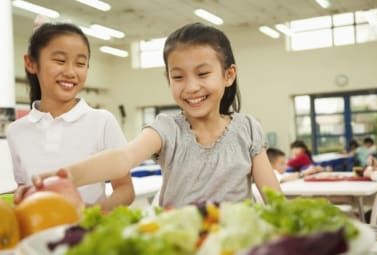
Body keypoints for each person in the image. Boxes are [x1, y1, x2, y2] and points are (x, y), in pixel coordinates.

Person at [17, 22, 281, 208]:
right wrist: (64, 176)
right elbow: (122, 158)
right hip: (178, 244)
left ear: (228, 75)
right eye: (178, 77)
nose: (191, 87)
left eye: (202, 74)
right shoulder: (166, 128)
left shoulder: (247, 128)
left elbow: (273, 198)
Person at [7, 22, 134, 210]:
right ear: (31, 63)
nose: (70, 72)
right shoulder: (16, 131)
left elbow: (125, 189)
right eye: (60, 61)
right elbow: (23, 189)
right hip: (37, 233)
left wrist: (94, 213)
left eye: (81, 64)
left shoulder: (102, 121)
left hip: (88, 234)